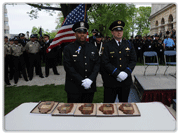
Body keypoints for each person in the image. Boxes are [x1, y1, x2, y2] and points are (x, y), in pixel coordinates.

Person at [63, 21, 100, 103]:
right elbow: (68, 67)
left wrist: (90, 79)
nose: (82, 34)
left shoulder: (92, 47)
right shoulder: (68, 48)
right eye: (79, 32)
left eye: (84, 32)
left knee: (88, 111)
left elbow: (97, 64)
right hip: (74, 87)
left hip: (89, 86)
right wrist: (81, 81)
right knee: (73, 112)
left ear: (86, 34)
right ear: (75, 34)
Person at [101, 20, 137, 103]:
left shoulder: (129, 44)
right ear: (112, 32)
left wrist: (126, 72)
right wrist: (117, 73)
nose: (119, 32)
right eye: (116, 31)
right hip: (111, 81)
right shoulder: (107, 45)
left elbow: (133, 60)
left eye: (120, 30)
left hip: (125, 81)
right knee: (108, 105)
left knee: (123, 105)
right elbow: (105, 62)